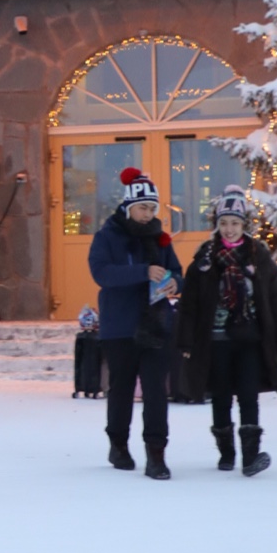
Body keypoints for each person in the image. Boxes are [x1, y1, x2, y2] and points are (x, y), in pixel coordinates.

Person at [177, 184, 277, 476]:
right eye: (224, 223)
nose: (229, 229)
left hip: (250, 338)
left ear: (244, 225)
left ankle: (251, 458)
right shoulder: (204, 260)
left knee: (249, 394)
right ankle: (226, 452)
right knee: (221, 395)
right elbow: (189, 304)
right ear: (217, 225)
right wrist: (186, 341)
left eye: (235, 223)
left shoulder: (258, 257)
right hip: (215, 341)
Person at [87, 167, 183, 479]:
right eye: (143, 207)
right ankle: (118, 444)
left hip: (156, 326)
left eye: (152, 208)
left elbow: (177, 272)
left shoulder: (161, 240)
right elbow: (102, 273)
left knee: (156, 390)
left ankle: (156, 454)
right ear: (129, 207)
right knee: (122, 389)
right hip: (120, 327)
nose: (148, 214)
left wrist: (174, 285)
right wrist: (142, 272)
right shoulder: (107, 236)